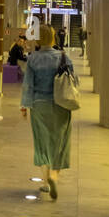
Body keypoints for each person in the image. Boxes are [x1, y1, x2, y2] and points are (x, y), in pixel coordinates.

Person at [20, 23, 75, 200]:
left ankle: (45, 182)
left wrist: (24, 105)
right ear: (53, 37)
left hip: (39, 104)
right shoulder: (63, 57)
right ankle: (54, 176)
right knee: (60, 141)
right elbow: (75, 80)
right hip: (61, 105)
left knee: (42, 142)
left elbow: (28, 84)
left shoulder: (33, 59)